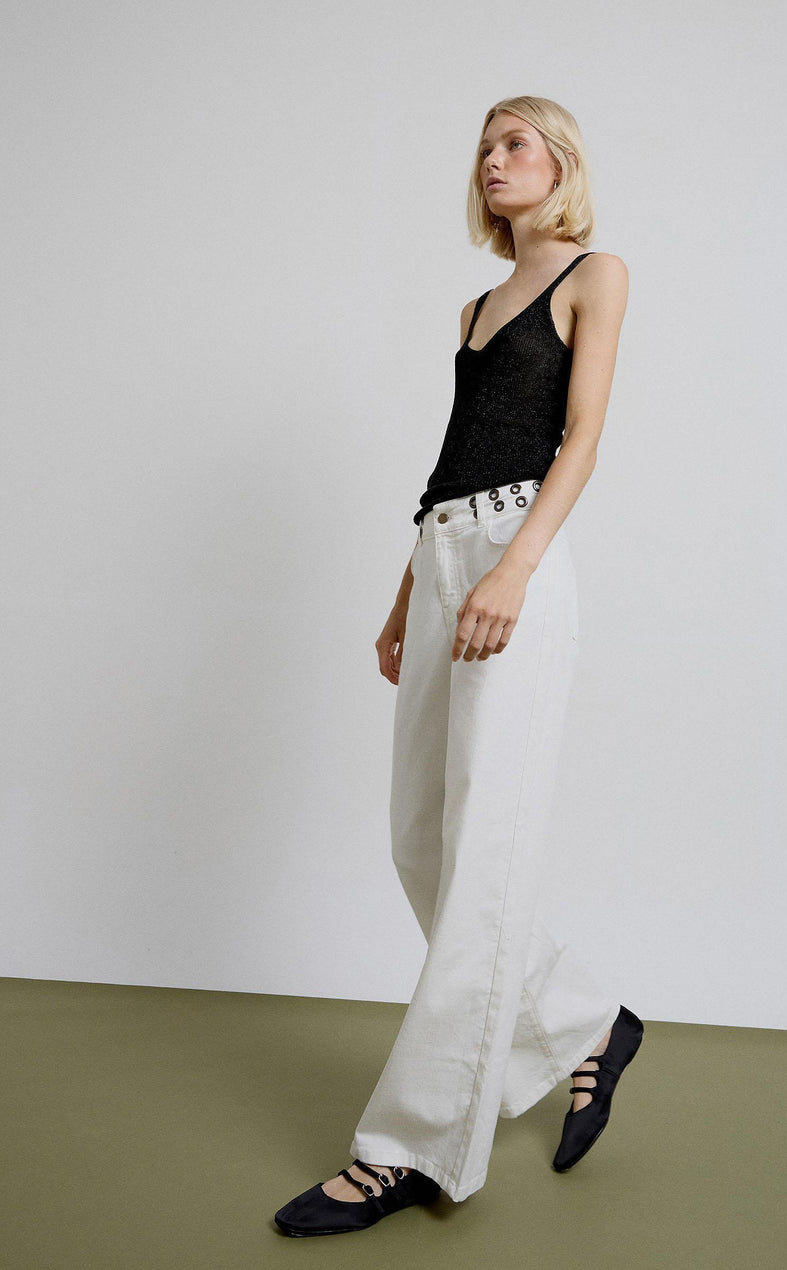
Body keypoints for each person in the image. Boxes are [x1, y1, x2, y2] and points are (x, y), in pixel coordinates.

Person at [274, 94, 642, 1238]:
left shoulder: (594, 273)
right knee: (422, 841)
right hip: (443, 554)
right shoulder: (477, 306)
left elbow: (580, 438)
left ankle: (407, 1148)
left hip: (512, 554)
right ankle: (583, 1022)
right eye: (483, 146)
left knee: (482, 849)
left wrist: (513, 571)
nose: (493, 159)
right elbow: (453, 454)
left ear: (560, 163)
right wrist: (406, 597)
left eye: (514, 142)